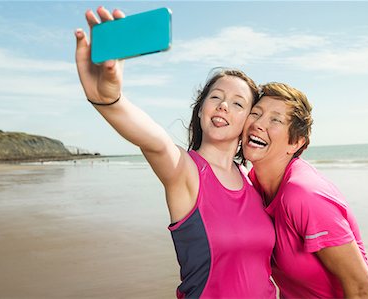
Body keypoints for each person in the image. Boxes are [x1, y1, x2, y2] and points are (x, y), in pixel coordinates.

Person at [74, 7, 276, 298]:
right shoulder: (185, 170)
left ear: (249, 121)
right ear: (201, 108)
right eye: (215, 97)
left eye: (237, 103)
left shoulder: (252, 179)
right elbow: (153, 140)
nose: (222, 106)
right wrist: (109, 100)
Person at [242, 82, 368, 298]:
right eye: (255, 113)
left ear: (295, 143)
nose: (258, 124)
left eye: (275, 119)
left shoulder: (303, 195)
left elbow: (362, 287)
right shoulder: (253, 184)